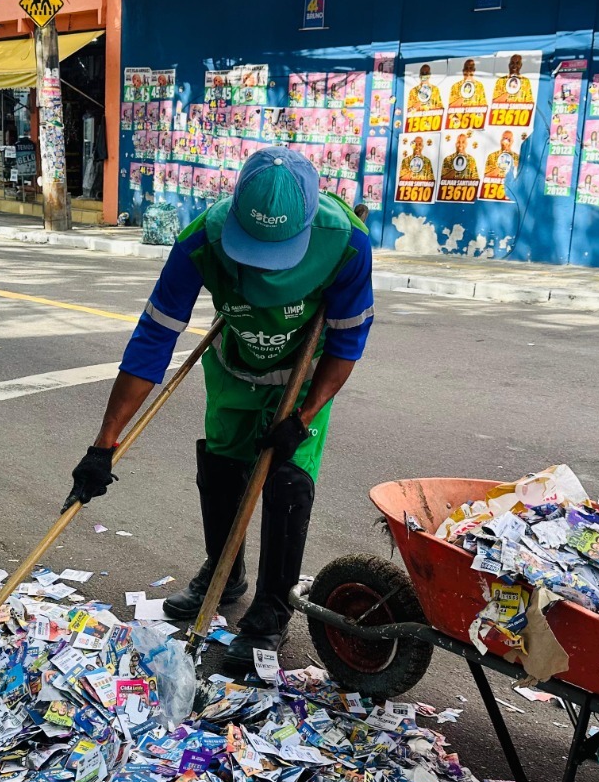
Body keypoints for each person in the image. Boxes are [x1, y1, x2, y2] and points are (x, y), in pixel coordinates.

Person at [65, 146, 374, 672]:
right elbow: (154, 340)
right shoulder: (200, 242)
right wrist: (104, 444)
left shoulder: (345, 243)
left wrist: (302, 417)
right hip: (236, 369)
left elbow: (346, 343)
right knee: (222, 470)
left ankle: (270, 615)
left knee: (285, 482)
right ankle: (225, 572)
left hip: (305, 379)